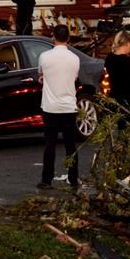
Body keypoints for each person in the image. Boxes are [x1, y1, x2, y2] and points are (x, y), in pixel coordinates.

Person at [37, 24, 80, 190]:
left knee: (50, 145)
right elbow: (74, 77)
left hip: (50, 106)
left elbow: (41, 74)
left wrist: (44, 79)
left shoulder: (45, 56)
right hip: (69, 106)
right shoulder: (74, 58)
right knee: (71, 145)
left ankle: (46, 179)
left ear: (53, 37)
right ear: (68, 38)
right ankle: (73, 177)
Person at [105, 30, 130, 130]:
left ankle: (120, 145)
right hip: (127, 100)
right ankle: (122, 146)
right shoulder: (125, 61)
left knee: (122, 128)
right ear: (127, 42)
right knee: (128, 131)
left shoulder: (110, 58)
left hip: (115, 98)